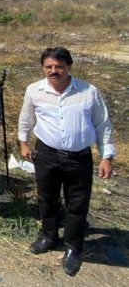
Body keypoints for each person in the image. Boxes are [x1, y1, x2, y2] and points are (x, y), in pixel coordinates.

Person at [18, 47, 115, 276]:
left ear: (68, 67)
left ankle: (73, 248)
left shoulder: (88, 91)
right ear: (43, 68)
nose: (54, 71)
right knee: (47, 199)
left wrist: (106, 157)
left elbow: (103, 125)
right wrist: (23, 143)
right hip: (46, 155)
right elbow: (26, 118)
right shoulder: (34, 90)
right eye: (49, 67)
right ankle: (48, 236)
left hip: (78, 158)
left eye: (59, 66)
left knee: (77, 204)